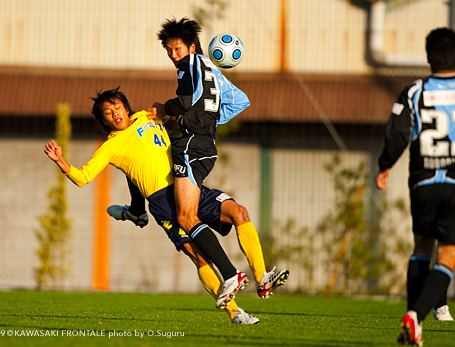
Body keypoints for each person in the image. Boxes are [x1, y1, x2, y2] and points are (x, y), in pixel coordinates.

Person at [44, 88, 288, 323]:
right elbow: (82, 177)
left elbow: (171, 120)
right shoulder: (110, 146)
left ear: (126, 107)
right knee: (200, 258)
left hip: (188, 183)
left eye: (117, 107)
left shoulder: (145, 116)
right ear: (103, 121)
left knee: (239, 212)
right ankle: (236, 314)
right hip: (164, 202)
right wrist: (61, 161)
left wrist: (172, 116)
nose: (115, 113)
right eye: (107, 113)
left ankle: (262, 278)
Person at [149, 17, 260, 307]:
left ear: (192, 46)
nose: (174, 56)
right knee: (191, 215)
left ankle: (231, 275)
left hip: (189, 144)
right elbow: (239, 101)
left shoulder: (189, 66)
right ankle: (235, 274)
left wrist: (166, 111)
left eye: (177, 49)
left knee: (186, 218)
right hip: (205, 144)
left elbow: (184, 101)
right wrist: (207, 122)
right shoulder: (210, 68)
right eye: (169, 51)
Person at [375, 27, 455, 346]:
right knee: (447, 256)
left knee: (421, 248)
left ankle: (413, 326)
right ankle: (415, 317)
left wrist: (385, 165)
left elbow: (398, 133)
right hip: (454, 182)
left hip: (422, 181)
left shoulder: (414, 91)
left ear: (428, 58)